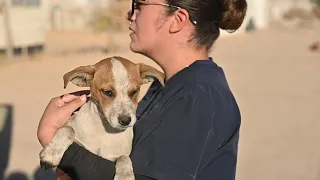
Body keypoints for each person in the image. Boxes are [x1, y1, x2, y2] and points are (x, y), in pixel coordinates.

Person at [37, 0, 247, 179]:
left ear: (177, 19)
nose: (130, 14)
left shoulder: (197, 96)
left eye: (139, 4)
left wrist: (54, 139)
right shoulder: (167, 84)